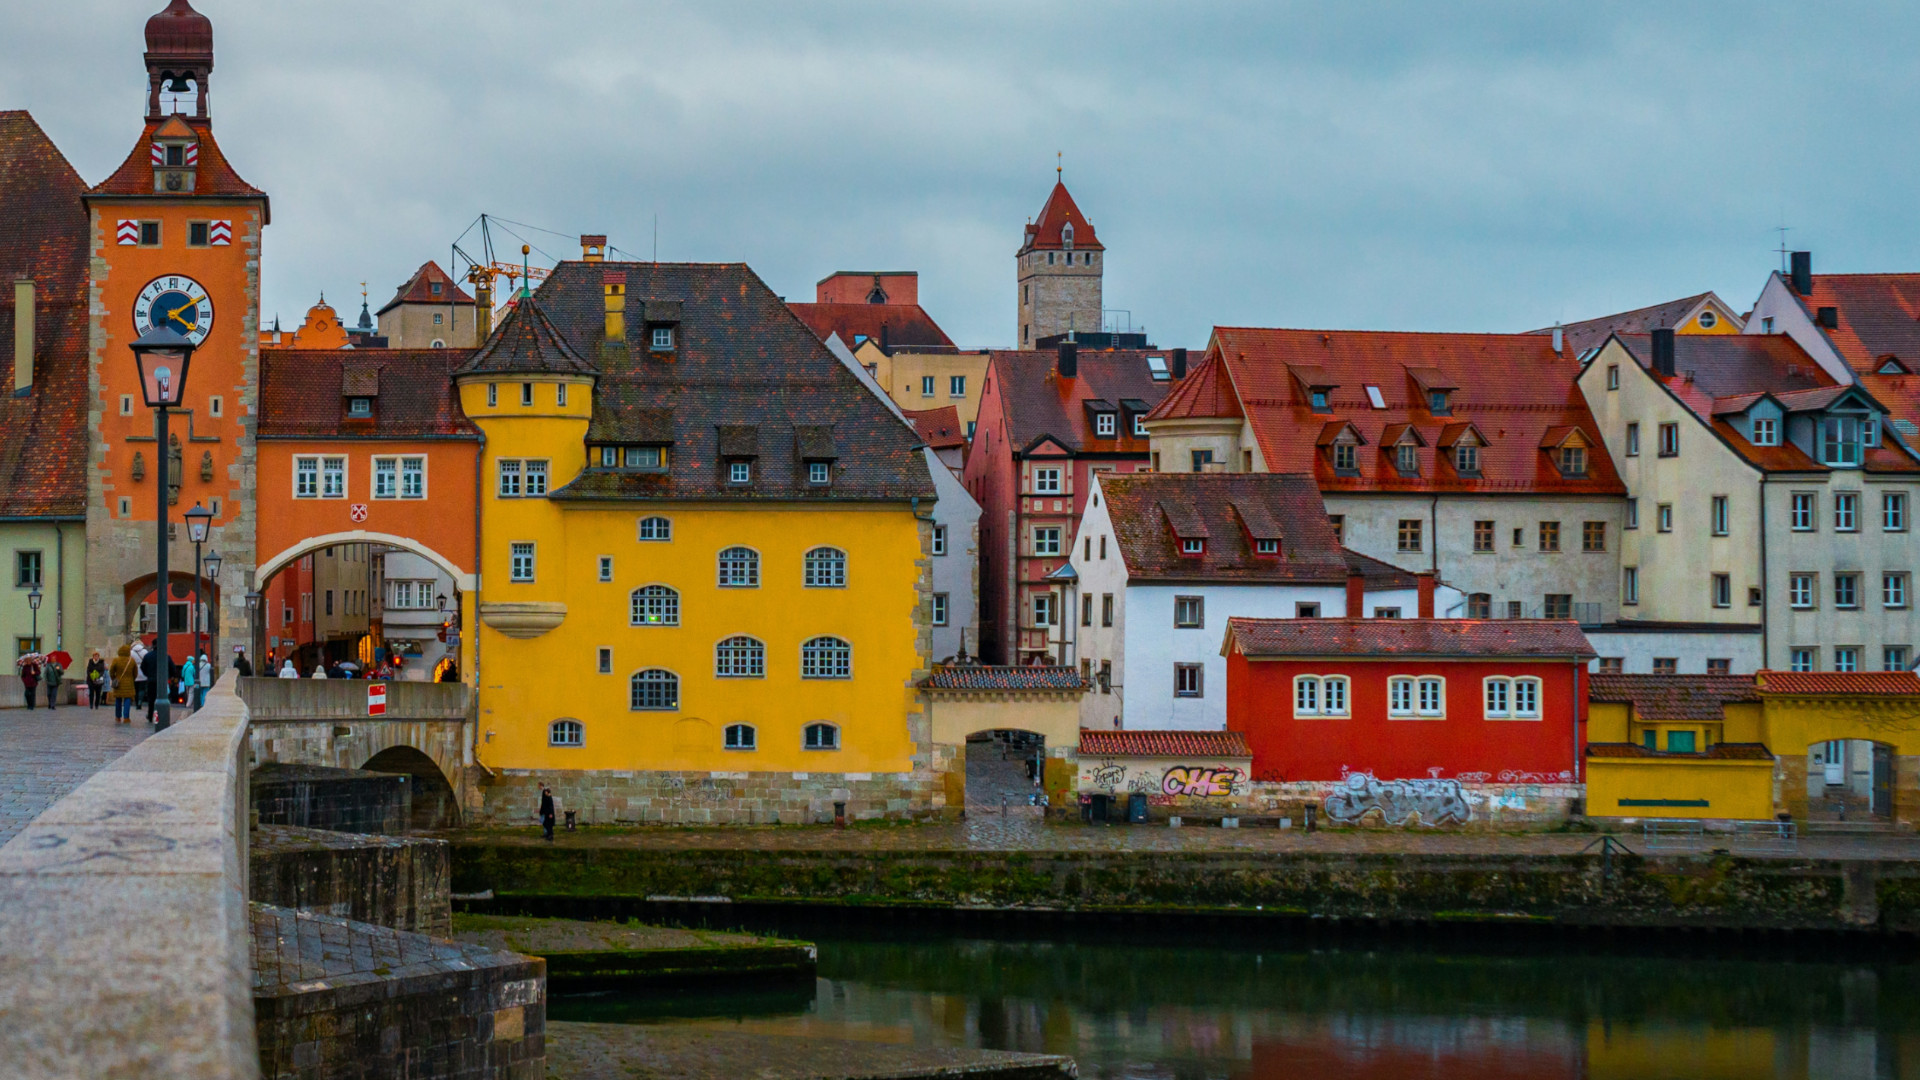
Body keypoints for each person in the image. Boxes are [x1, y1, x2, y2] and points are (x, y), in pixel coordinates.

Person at [110, 645, 137, 724]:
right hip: (129, 683)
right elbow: (135, 673)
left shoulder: (116, 660)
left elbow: (111, 671)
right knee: (127, 700)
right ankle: (126, 718)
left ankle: (118, 717)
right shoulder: (132, 661)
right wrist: (132, 679)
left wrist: (114, 678)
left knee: (118, 700)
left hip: (118, 682)